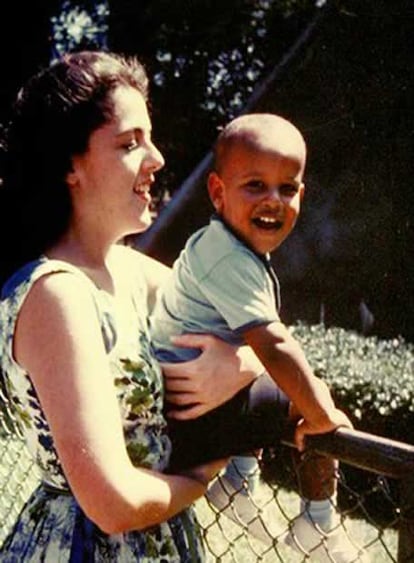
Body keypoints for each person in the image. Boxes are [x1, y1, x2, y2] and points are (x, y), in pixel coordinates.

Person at [0, 50, 266, 561]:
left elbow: (261, 325)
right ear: (68, 167)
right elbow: (113, 502)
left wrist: (243, 362)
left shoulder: (130, 271)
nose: (157, 158)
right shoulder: (57, 293)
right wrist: (200, 475)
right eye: (129, 143)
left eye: (149, 137)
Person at [150, 113, 366, 561]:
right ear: (216, 192)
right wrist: (322, 415)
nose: (273, 200)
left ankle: (239, 480)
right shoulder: (226, 257)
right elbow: (275, 345)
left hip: (186, 407)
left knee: (258, 374)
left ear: (301, 195)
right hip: (190, 412)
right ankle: (317, 525)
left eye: (287, 188)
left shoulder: (224, 247)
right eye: (255, 185)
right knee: (312, 395)